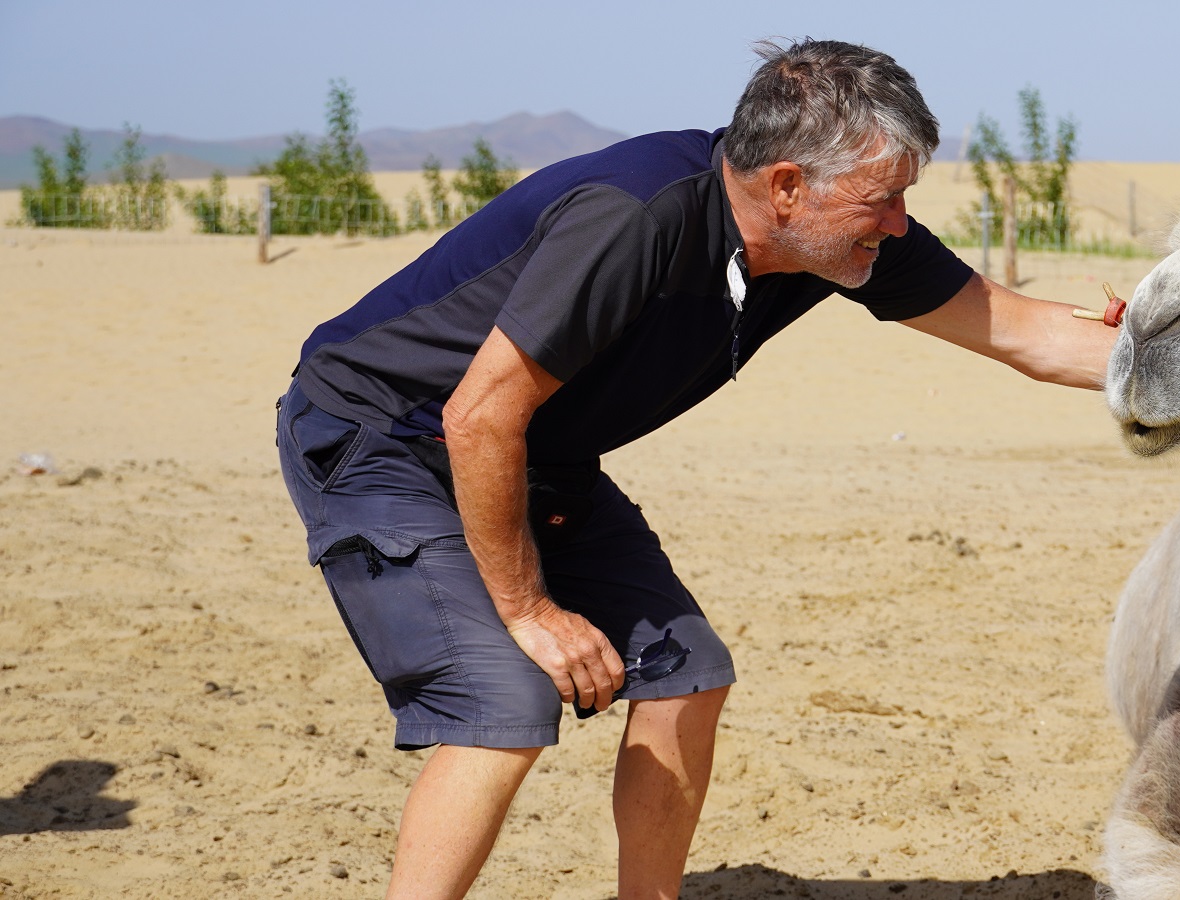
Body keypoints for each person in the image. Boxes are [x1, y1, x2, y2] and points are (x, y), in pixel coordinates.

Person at [274, 38, 1116, 899]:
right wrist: (530, 611)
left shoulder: (846, 240)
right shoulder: (637, 214)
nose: (899, 221)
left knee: (686, 674)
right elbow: (478, 416)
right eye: (884, 198)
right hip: (383, 436)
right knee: (503, 705)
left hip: (533, 452)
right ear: (786, 185)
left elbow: (1029, 334)